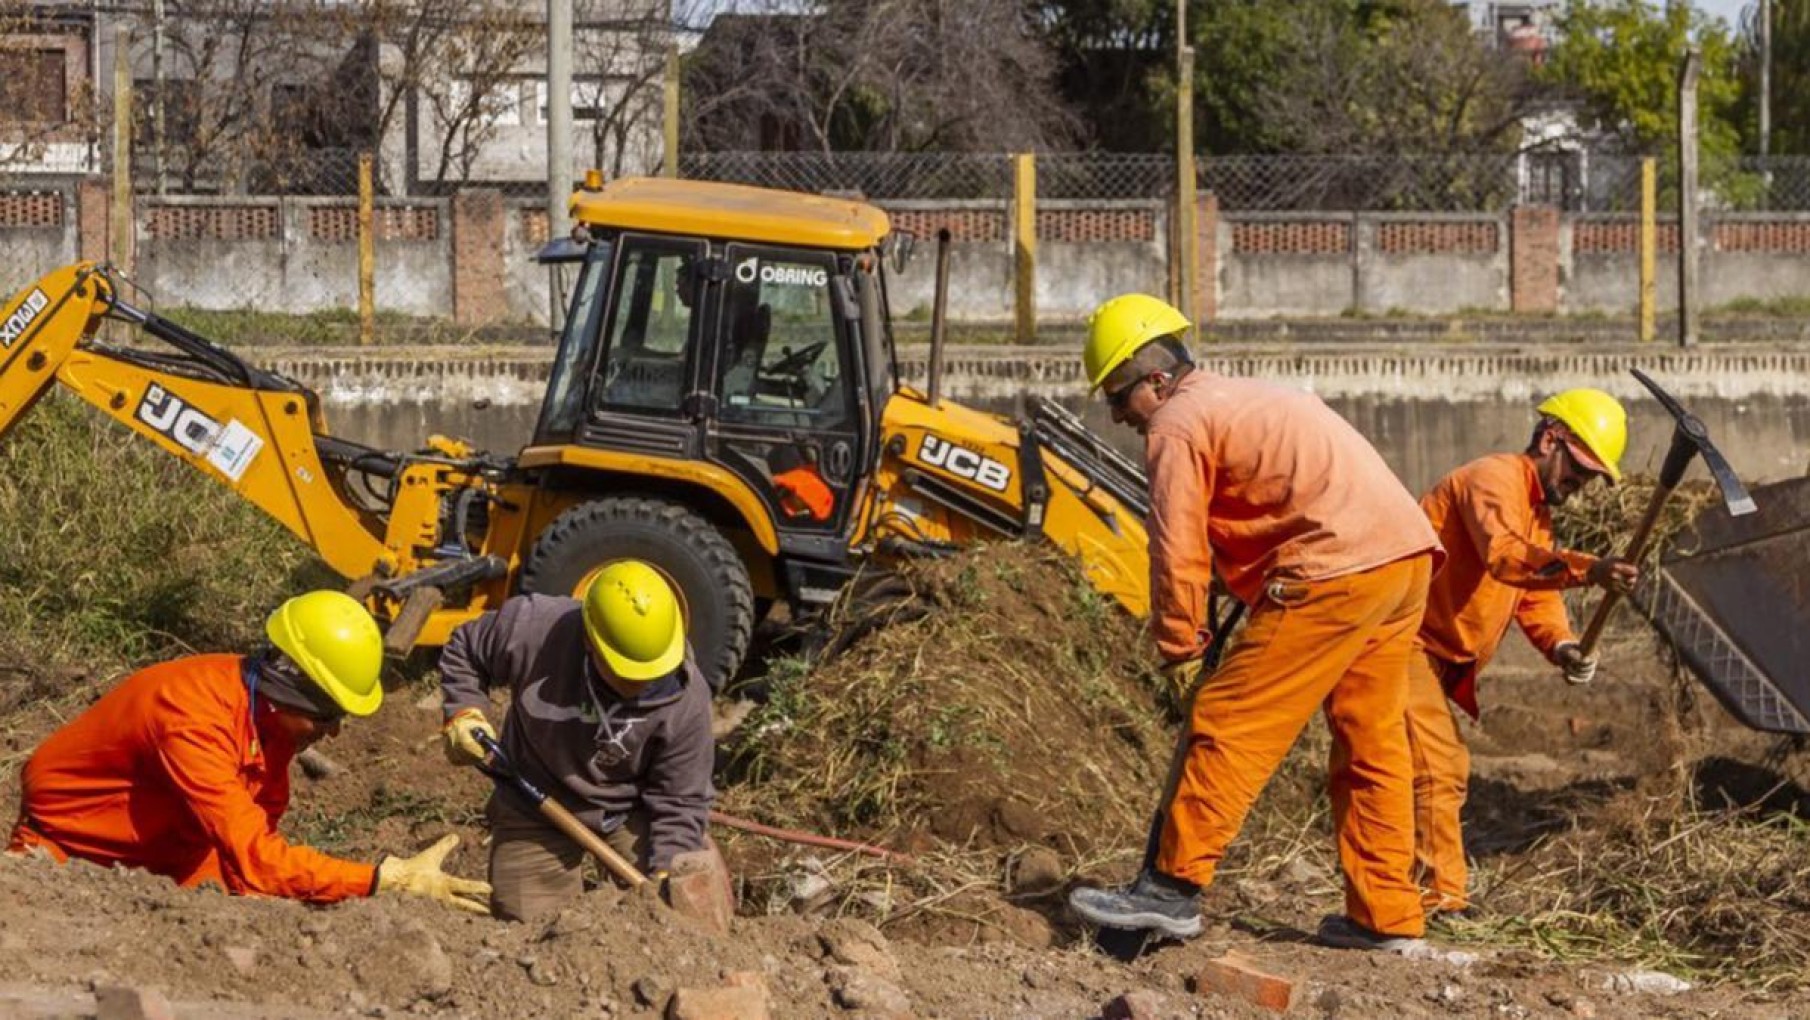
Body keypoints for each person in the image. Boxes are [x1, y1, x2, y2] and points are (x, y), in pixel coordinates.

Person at [1066, 293, 1445, 954]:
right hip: (1402, 559)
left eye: (1120, 396)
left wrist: (1181, 646)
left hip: (1334, 569)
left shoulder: (1177, 424)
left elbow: (1176, 548)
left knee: (1230, 720)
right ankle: (1386, 915)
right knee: (1372, 739)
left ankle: (1171, 889)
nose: (1117, 415)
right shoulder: (1245, 397)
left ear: (1157, 380)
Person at [8, 591, 491, 913]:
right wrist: (380, 879)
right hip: (69, 857)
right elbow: (258, 859)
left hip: (173, 856)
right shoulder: (193, 718)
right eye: (327, 716)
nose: (334, 733)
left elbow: (255, 845)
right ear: (289, 693)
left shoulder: (267, 717)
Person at [1408, 389, 1640, 916]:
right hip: (1404, 643)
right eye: (1579, 469)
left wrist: (1561, 644)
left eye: (1592, 477)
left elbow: (1532, 592)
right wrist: (1591, 569)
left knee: (1397, 770)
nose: (1581, 484)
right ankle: (1438, 900)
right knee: (1439, 766)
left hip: (1438, 660)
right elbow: (1506, 558)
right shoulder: (1493, 479)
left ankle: (1393, 892)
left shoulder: (1537, 511)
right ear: (1551, 439)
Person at [440, 560, 716, 922]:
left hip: (630, 810)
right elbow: (465, 647)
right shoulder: (533, 628)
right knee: (530, 928)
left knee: (671, 914)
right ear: (589, 641)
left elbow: (680, 800)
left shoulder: (688, 698)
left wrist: (667, 873)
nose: (641, 685)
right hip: (534, 801)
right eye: (626, 674)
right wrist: (464, 711)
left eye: (651, 674)